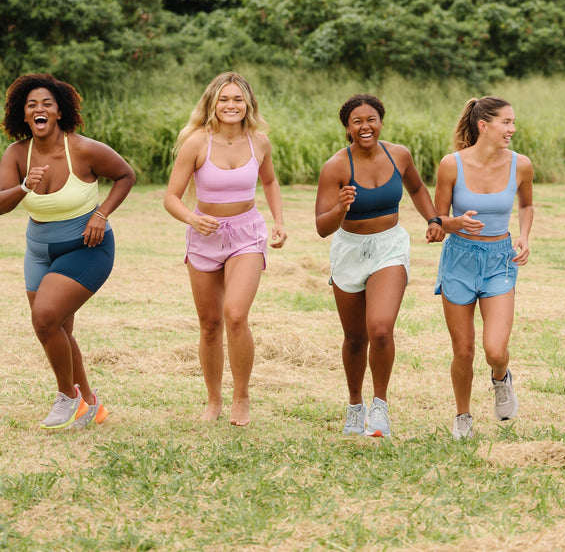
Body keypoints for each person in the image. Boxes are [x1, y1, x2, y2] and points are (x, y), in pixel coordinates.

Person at [0, 73, 136, 430]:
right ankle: (91, 404)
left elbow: (125, 175)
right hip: (39, 250)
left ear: (59, 112)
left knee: (45, 318)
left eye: (47, 103)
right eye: (32, 105)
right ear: (23, 115)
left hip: (88, 247)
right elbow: (1, 203)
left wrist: (101, 213)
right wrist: (22, 187)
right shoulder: (16, 154)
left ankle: (67, 397)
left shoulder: (83, 149)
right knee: (56, 328)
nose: (39, 109)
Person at [315, 93, 445, 438]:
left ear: (381, 121)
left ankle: (380, 408)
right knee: (355, 337)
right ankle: (355, 406)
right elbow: (321, 227)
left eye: (371, 119)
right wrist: (340, 208)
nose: (365, 126)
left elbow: (416, 187)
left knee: (381, 328)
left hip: (390, 246)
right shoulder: (336, 167)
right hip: (349, 250)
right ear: (347, 128)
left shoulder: (399, 154)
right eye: (357, 121)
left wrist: (433, 218)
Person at [164, 72, 286, 426]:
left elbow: (270, 181)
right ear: (212, 104)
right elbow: (171, 197)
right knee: (210, 324)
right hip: (205, 237)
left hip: (246, 235)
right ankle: (213, 400)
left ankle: (241, 396)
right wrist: (191, 218)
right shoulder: (196, 142)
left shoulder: (259, 143)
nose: (231, 106)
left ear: (247, 103)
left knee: (235, 315)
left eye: (237, 99)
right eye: (224, 99)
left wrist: (278, 221)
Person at [434, 96, 534, 439]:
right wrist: (455, 223)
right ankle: (463, 415)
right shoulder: (451, 165)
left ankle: (500, 378)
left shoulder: (521, 165)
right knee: (462, 350)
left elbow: (527, 204)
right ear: (484, 126)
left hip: (499, 260)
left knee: (495, 349)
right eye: (506, 122)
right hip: (459, 259)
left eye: (513, 122)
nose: (512, 129)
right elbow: (436, 223)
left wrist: (523, 236)